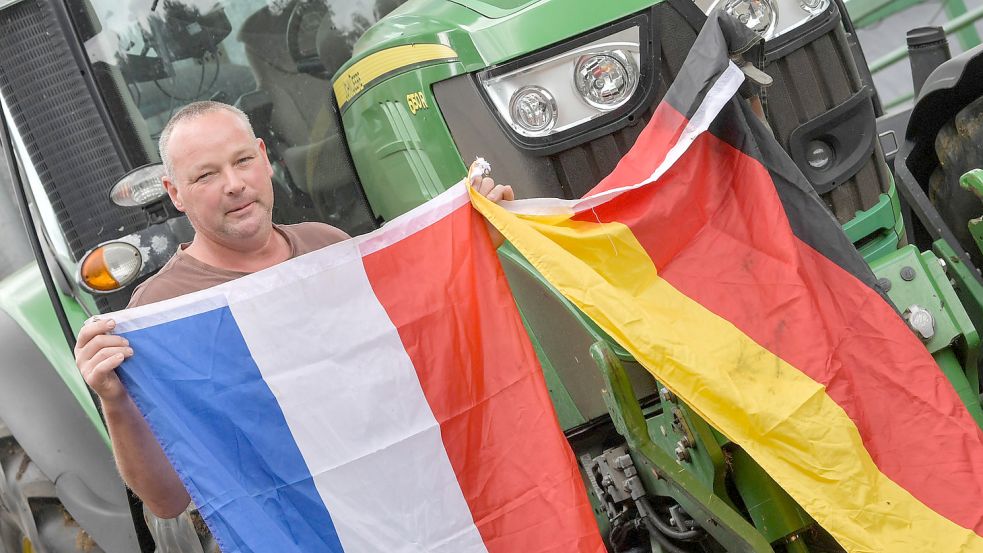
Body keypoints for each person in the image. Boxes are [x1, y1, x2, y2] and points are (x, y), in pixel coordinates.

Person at [73, 101, 514, 518]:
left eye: (242, 161)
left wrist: (470, 253)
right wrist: (115, 403)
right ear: (175, 193)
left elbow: (421, 358)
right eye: (206, 175)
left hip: (408, 513)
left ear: (265, 158)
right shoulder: (162, 312)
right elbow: (167, 499)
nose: (233, 183)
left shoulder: (329, 246)